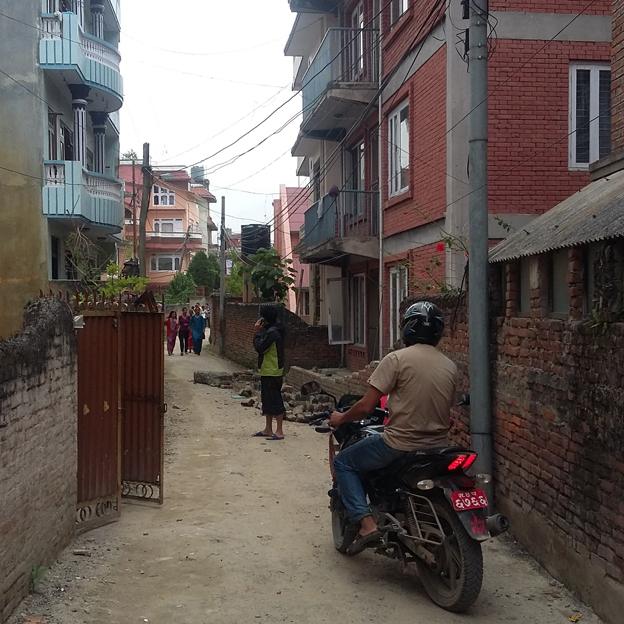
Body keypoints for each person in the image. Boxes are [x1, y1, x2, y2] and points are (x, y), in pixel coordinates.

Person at [329, 301, 457, 555]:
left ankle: (366, 524)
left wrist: (341, 418)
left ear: (407, 328)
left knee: (344, 462)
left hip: (400, 444)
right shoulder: (449, 365)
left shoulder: (397, 359)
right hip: (439, 446)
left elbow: (366, 407)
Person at [252, 303, 286, 441]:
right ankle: (268, 428)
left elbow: (260, 347)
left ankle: (279, 431)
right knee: (267, 400)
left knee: (275, 400)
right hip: (269, 370)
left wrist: (257, 332)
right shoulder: (273, 330)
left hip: (273, 371)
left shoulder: (272, 333)